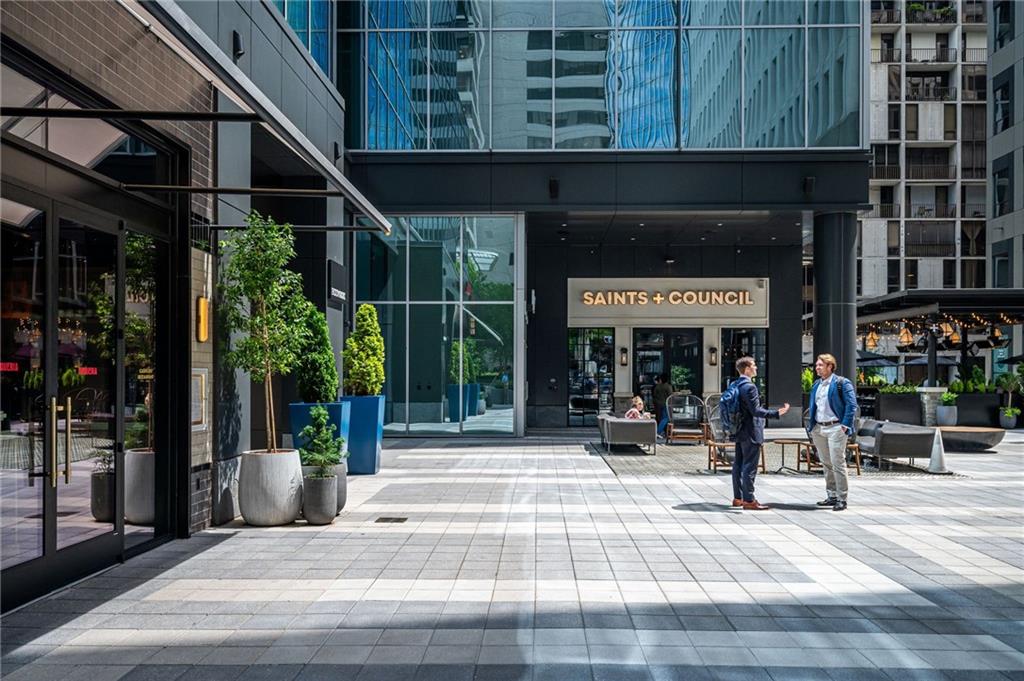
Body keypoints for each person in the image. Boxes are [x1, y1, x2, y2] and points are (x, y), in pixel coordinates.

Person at [732, 356, 790, 510]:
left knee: (738, 464)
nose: (756, 368)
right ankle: (749, 500)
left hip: (738, 429)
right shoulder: (750, 387)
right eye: (754, 365)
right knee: (749, 466)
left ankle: (738, 498)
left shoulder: (735, 384)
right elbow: (756, 411)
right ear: (747, 369)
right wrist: (776, 413)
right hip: (750, 430)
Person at [806, 353, 858, 511]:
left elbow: (851, 405)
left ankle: (842, 498)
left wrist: (845, 425)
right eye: (816, 365)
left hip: (836, 427)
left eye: (820, 365)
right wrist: (812, 426)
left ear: (830, 366)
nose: (817, 368)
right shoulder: (817, 385)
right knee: (826, 463)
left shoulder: (842, 383)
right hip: (819, 428)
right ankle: (832, 495)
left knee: (838, 463)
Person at [652, 373, 673, 439]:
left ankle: (661, 431)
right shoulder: (668, 387)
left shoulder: (657, 387)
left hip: (658, 404)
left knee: (659, 418)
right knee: (665, 418)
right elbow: (670, 396)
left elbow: (654, 395)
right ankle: (658, 431)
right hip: (665, 405)